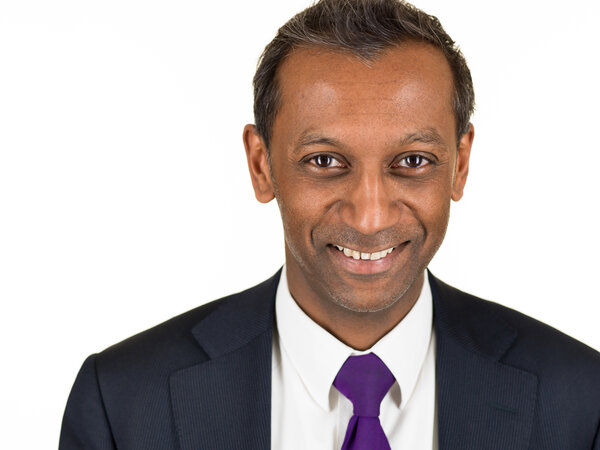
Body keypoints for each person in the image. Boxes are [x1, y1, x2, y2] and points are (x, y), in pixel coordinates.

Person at [59, 0, 600, 448]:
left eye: (412, 161)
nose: (369, 217)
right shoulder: (124, 403)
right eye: (324, 161)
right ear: (261, 165)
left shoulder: (580, 400)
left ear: (459, 165)